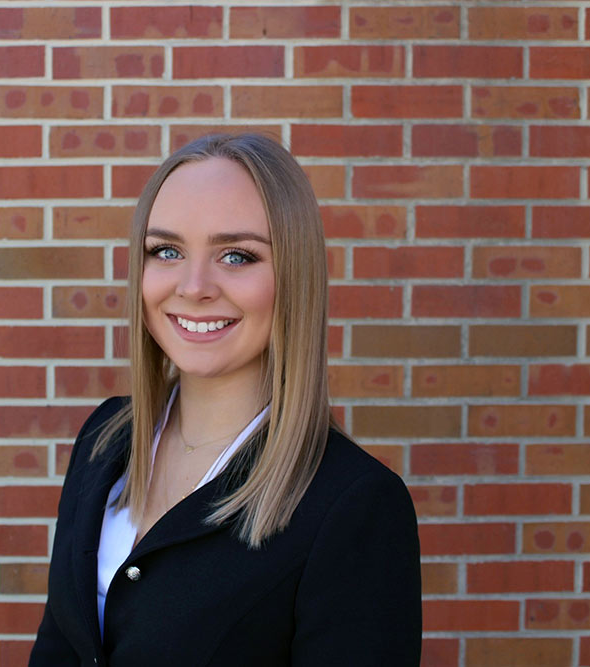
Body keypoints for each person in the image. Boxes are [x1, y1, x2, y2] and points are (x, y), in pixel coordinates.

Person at [29, 134, 422, 666]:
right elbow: (60, 645)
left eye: (236, 256)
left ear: (294, 276)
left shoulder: (353, 506)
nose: (193, 286)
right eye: (166, 251)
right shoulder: (106, 438)